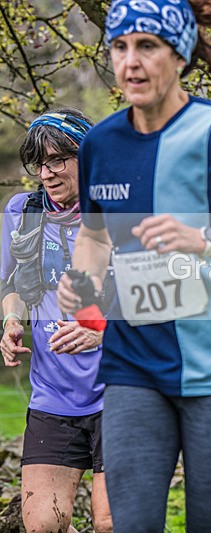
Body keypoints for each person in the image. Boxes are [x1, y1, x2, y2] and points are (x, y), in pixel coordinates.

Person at [56, 0, 211, 530]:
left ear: (180, 54)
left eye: (147, 47)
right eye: (120, 47)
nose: (130, 63)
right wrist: (83, 282)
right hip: (132, 364)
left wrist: (202, 239)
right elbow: (93, 237)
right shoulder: (100, 143)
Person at [1, 109, 111, 533]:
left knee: (111, 522)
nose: (46, 173)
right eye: (39, 162)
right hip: (53, 398)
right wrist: (12, 320)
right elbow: (8, 284)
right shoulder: (21, 211)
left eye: (57, 160)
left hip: (122, 391)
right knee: (43, 525)